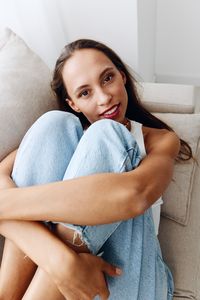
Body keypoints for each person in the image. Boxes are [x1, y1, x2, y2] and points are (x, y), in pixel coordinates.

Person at [0, 39, 192, 300]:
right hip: (62, 277)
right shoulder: (62, 137)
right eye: (85, 93)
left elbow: (135, 194)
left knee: (107, 134)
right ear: (74, 104)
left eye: (107, 78)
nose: (104, 97)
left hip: (129, 279)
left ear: (122, 76)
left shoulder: (157, 139)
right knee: (51, 124)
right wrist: (59, 261)